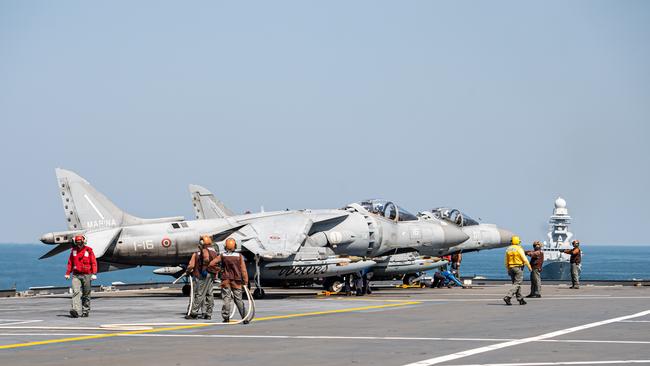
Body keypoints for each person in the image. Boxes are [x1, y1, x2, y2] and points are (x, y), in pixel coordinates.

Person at [210, 237, 249, 323]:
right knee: (238, 299)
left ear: (225, 246)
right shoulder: (239, 256)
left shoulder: (222, 255)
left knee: (226, 299)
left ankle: (226, 317)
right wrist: (245, 281)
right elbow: (243, 270)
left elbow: (212, 263)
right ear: (235, 246)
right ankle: (245, 318)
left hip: (226, 280)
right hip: (237, 280)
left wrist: (219, 269)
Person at [185, 235, 220, 320]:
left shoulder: (199, 253)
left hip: (201, 275)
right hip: (212, 274)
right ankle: (208, 313)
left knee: (199, 294)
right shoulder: (214, 251)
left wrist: (188, 271)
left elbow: (192, 265)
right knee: (209, 294)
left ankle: (193, 313)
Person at [65, 235, 97, 318]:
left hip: (87, 275)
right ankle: (75, 310)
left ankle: (85, 310)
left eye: (80, 242)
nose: (79, 244)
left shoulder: (89, 250)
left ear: (83, 242)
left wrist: (94, 273)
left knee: (86, 294)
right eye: (77, 242)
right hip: (76, 275)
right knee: (76, 292)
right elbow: (70, 263)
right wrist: (68, 273)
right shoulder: (73, 251)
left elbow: (93, 262)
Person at [503, 236, 532, 306]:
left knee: (516, 284)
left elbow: (506, 261)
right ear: (518, 241)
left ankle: (520, 299)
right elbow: (524, 259)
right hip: (518, 268)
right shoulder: (519, 249)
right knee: (517, 283)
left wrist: (507, 269)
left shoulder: (508, 249)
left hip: (510, 268)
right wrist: (529, 267)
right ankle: (508, 296)